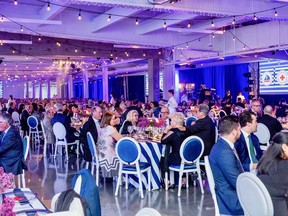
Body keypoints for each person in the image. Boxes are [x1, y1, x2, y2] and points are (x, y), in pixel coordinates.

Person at [209, 115, 244, 216]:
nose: (240, 132)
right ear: (234, 132)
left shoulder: (222, 145)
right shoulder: (224, 152)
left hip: (229, 193)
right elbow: (235, 181)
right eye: (239, 130)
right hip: (231, 199)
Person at [257, 132, 288, 216]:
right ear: (284, 147)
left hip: (262, 208)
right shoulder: (285, 166)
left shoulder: (264, 161)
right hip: (281, 209)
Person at [161, 112, 189, 188]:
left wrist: (166, 130)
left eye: (172, 121)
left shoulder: (173, 132)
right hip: (189, 158)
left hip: (177, 159)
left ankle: (167, 180)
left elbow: (163, 141)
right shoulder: (188, 129)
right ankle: (184, 179)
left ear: (175, 122)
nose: (170, 122)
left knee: (163, 158)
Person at [98, 112, 123, 177]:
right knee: (124, 153)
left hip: (101, 153)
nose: (114, 121)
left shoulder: (101, 127)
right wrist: (114, 128)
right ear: (108, 120)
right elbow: (121, 139)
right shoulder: (109, 128)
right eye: (113, 119)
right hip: (108, 153)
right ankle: (124, 176)